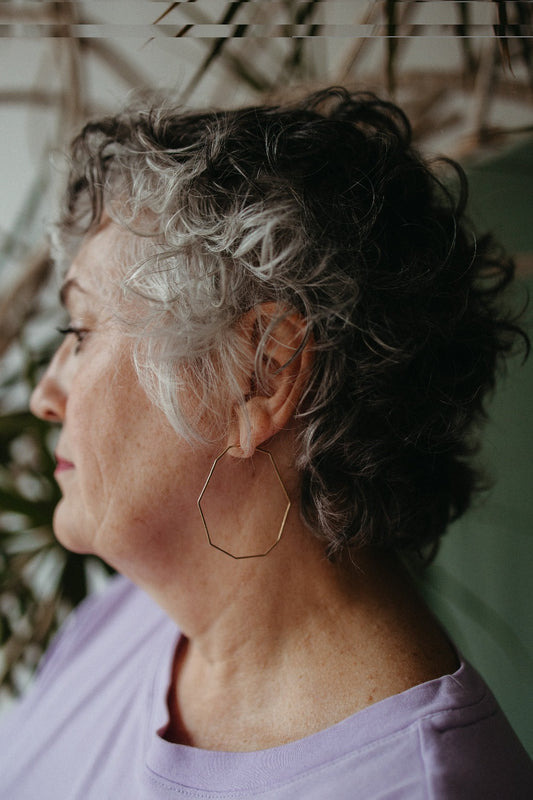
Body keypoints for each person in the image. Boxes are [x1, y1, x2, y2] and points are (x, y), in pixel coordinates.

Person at [0, 86, 531, 799]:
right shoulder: (122, 617)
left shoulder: (416, 787)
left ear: (261, 373)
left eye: (82, 333)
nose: (45, 394)